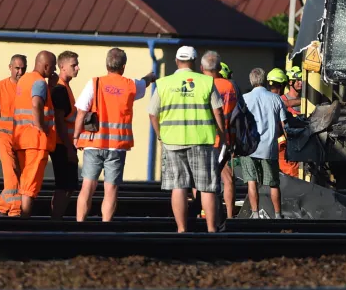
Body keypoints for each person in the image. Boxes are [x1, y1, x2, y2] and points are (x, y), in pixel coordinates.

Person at [72, 48, 155, 222]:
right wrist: (150, 76)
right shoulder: (130, 85)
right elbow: (144, 83)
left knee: (88, 185)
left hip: (93, 143)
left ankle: (80, 224)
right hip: (116, 147)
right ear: (123, 66)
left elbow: (81, 112)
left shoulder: (94, 83)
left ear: (107, 64)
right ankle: (105, 226)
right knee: (111, 189)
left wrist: (76, 137)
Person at [149, 46, 225, 232]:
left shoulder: (164, 83)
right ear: (196, 63)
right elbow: (218, 111)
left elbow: (152, 113)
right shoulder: (206, 82)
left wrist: (160, 135)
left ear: (176, 61)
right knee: (207, 186)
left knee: (178, 187)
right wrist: (221, 135)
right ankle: (211, 229)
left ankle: (182, 230)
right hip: (201, 141)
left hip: (172, 141)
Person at [12, 50, 58, 218]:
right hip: (35, 142)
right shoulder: (39, 82)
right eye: (52, 67)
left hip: (21, 139)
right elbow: (36, 104)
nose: (53, 71)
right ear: (46, 66)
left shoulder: (24, 80)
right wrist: (41, 126)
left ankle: (21, 219)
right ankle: (24, 222)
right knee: (30, 187)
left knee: (24, 182)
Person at [241, 68, 287, 219]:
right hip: (269, 147)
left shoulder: (244, 98)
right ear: (265, 81)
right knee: (274, 183)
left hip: (249, 148)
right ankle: (278, 215)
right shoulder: (276, 99)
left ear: (251, 81)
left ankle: (255, 214)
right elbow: (284, 124)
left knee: (252, 182)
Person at [199, 51, 238, 221]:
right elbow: (236, 115)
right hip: (224, 139)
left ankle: (203, 212)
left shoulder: (200, 85)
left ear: (202, 68)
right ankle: (229, 214)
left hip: (203, 138)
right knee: (227, 178)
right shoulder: (229, 87)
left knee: (200, 179)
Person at [0, 54, 27, 217]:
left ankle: (1, 206)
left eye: (23, 68)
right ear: (10, 67)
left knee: (21, 175)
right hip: (4, 136)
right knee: (11, 173)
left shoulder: (28, 88)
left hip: (22, 138)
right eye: (17, 68)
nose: (20, 72)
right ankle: (14, 211)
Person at [49, 51, 81, 219]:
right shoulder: (60, 90)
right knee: (64, 186)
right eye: (73, 65)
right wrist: (69, 148)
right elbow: (60, 122)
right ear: (62, 67)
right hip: (63, 145)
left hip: (65, 144)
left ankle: (56, 220)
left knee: (68, 186)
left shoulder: (64, 88)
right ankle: (55, 221)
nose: (78, 68)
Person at [267, 69, 299, 179]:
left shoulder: (261, 98)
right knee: (291, 173)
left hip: (262, 146)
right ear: (282, 85)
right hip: (280, 145)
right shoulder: (278, 101)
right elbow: (283, 124)